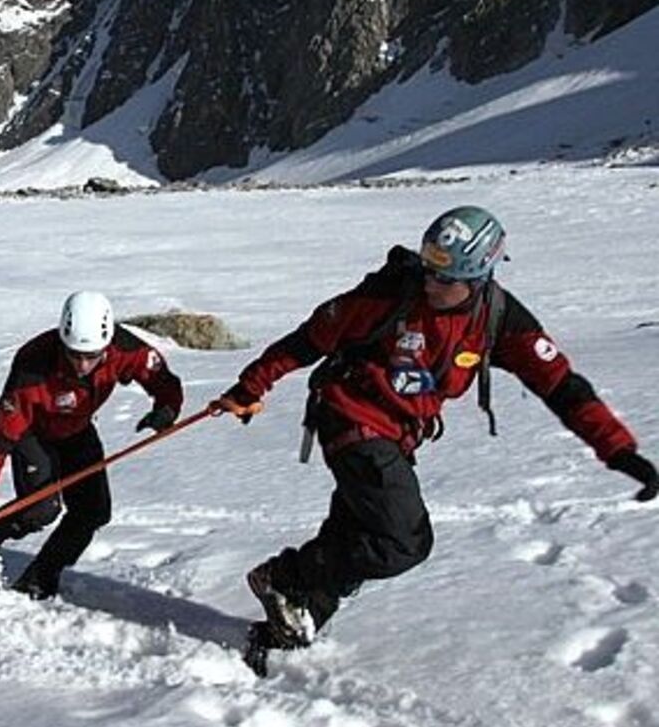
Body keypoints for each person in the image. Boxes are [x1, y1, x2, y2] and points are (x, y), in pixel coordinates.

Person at [212, 206, 657, 651]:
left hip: (398, 435)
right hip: (350, 417)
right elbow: (308, 339)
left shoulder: (498, 319)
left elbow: (562, 385)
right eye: (428, 270)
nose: (430, 283)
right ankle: (285, 578)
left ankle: (288, 627)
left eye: (445, 279)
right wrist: (250, 388)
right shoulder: (389, 296)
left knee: (359, 531)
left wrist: (618, 450)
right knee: (403, 541)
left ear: (479, 277)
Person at [0, 291, 184, 599]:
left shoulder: (125, 348)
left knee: (93, 511)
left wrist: (167, 408)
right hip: (32, 433)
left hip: (77, 428)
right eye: (75, 355)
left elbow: (162, 379)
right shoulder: (32, 368)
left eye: (92, 356)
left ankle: (40, 577)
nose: (83, 365)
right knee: (42, 508)